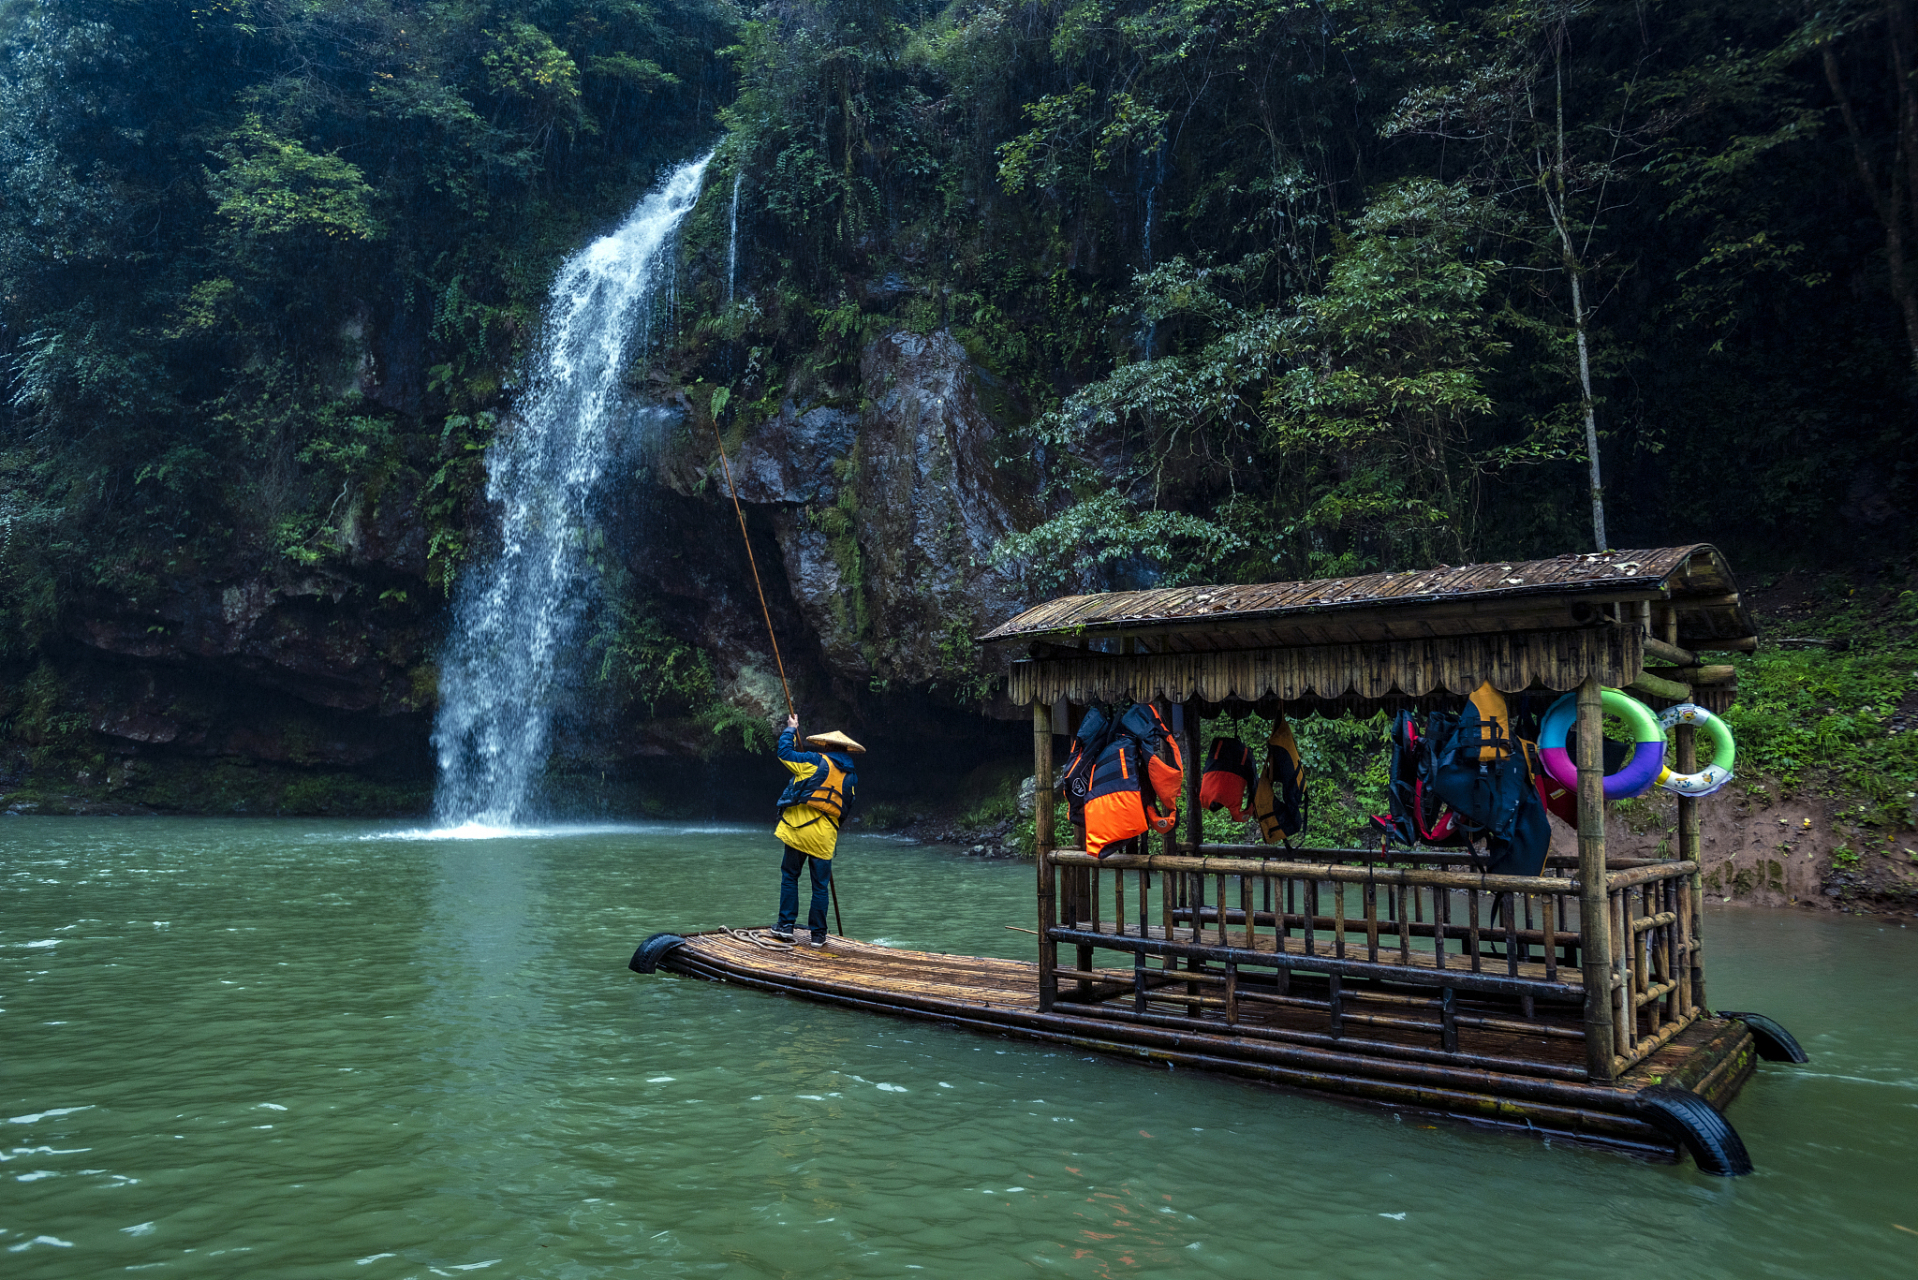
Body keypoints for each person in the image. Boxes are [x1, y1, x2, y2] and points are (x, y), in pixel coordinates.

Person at [770, 712, 863, 947]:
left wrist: (791, 729)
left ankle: (785, 926)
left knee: (790, 876)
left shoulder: (814, 761)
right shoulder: (852, 778)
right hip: (825, 837)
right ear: (846, 750)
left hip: (799, 830)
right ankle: (818, 936)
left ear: (827, 746)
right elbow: (845, 809)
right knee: (820, 887)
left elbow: (785, 754)